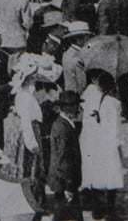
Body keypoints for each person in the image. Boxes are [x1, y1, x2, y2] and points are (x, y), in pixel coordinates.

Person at [80, 70, 124, 219]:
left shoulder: (89, 97)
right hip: (108, 143)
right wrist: (118, 146)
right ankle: (111, 210)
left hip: (93, 142)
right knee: (112, 175)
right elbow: (116, 128)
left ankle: (97, 208)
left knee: (96, 173)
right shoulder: (114, 104)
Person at [47, 89, 83, 221]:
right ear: (69, 107)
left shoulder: (64, 123)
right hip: (65, 181)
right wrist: (69, 186)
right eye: (76, 105)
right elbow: (63, 158)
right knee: (67, 214)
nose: (78, 108)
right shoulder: (63, 128)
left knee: (63, 214)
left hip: (63, 180)